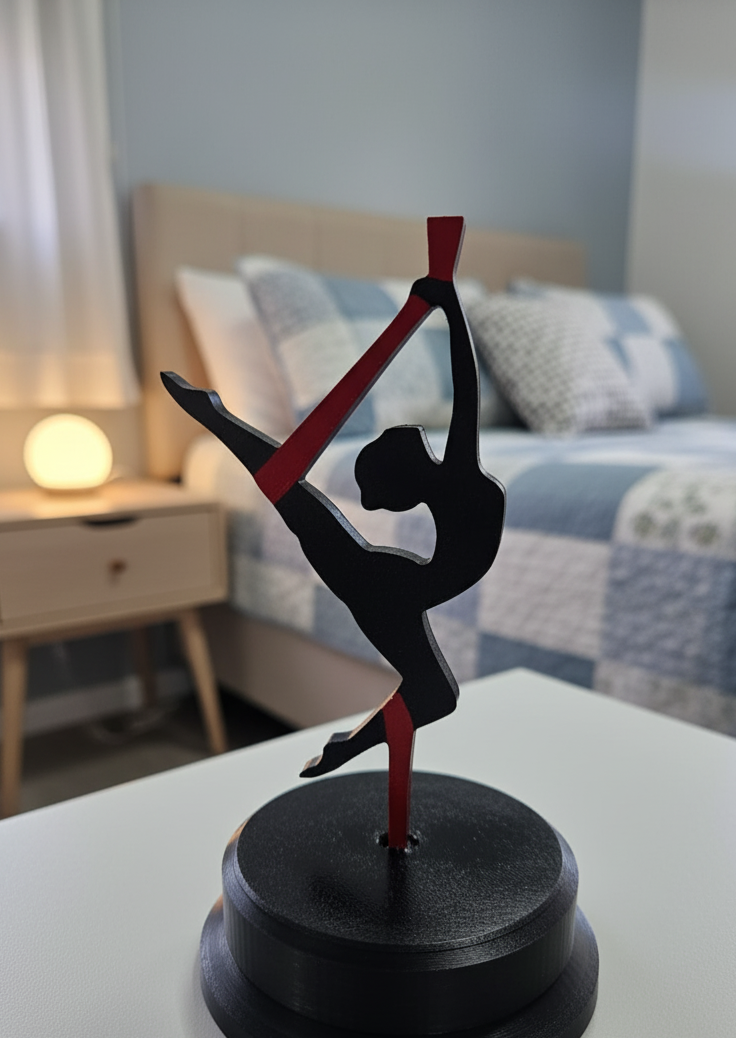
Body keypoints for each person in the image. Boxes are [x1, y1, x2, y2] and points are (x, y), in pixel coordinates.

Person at [162, 218, 505, 845]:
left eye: (378, 490)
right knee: (296, 502)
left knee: (297, 503)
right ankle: (220, 421)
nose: (374, 503)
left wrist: (450, 305)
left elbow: (466, 389)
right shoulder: (461, 475)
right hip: (399, 587)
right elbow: (466, 392)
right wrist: (447, 307)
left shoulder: (460, 473)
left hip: (403, 586)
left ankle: (351, 745)